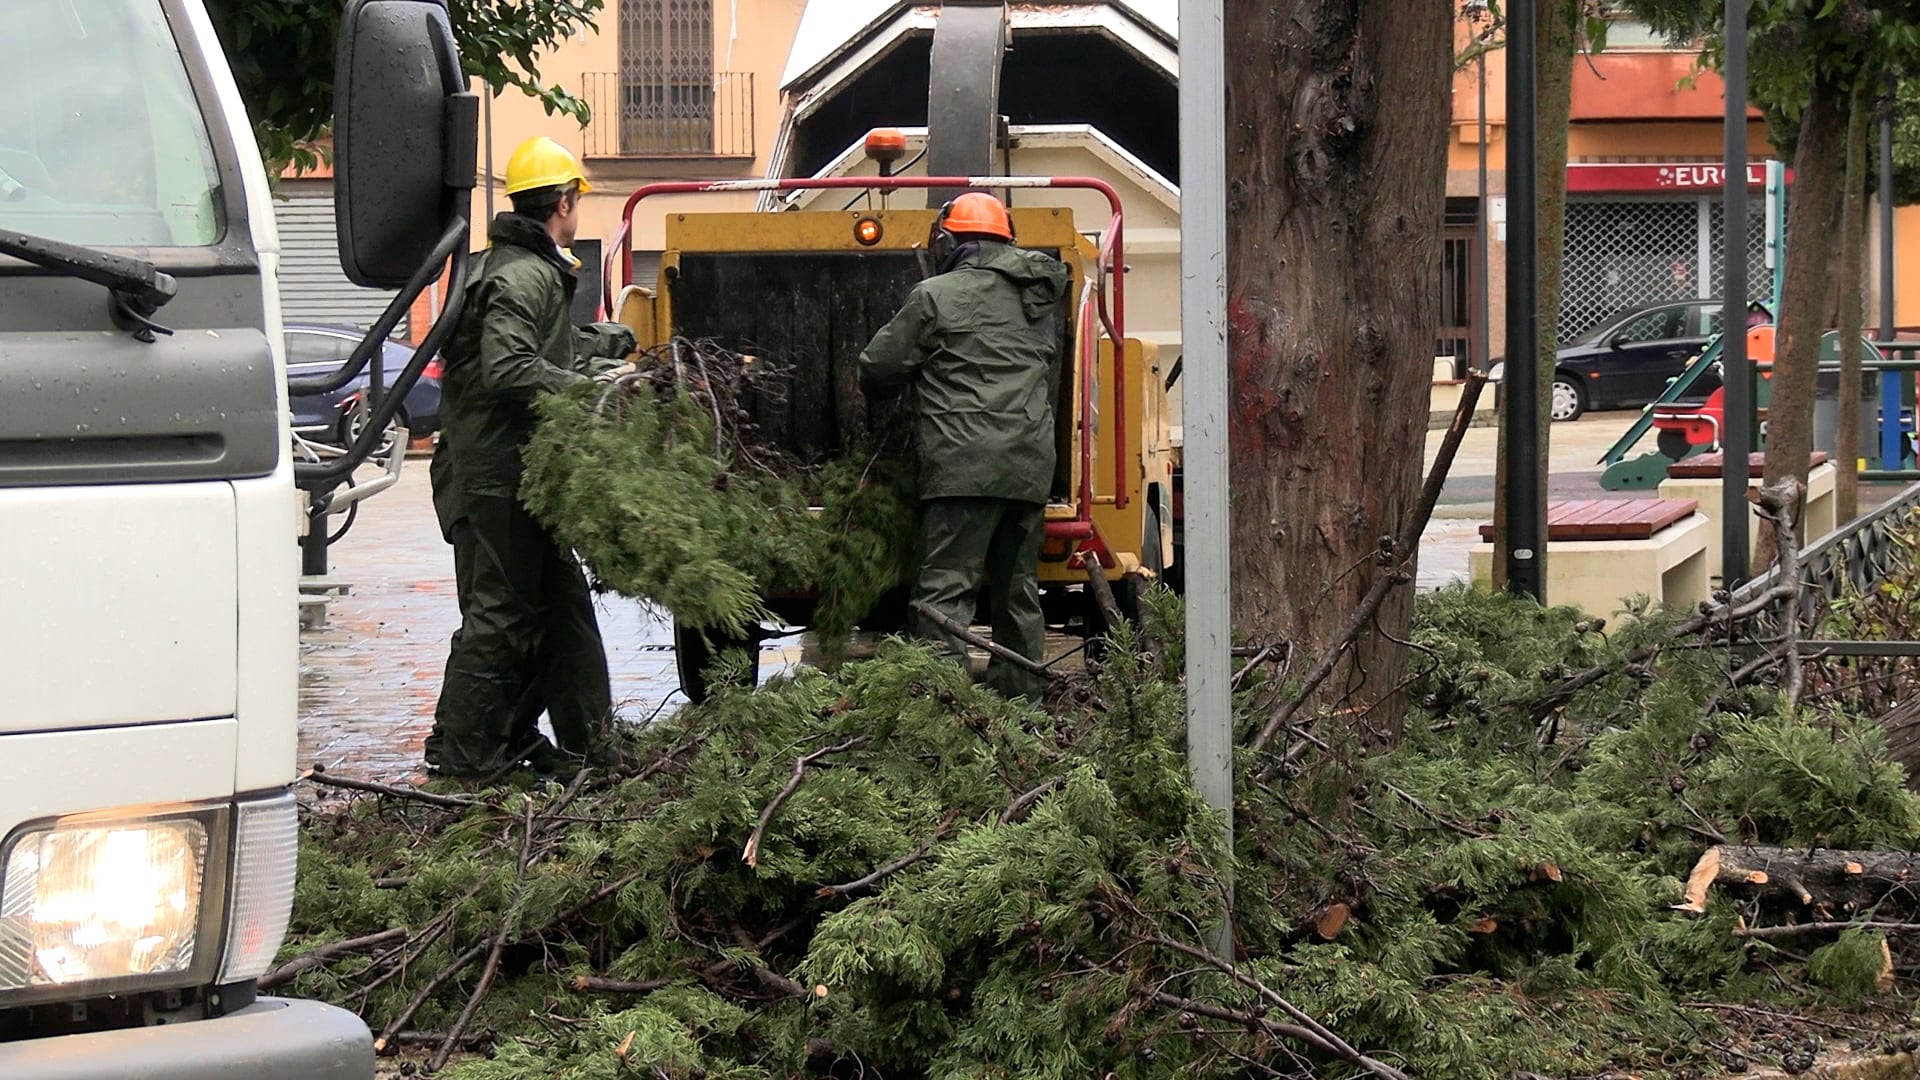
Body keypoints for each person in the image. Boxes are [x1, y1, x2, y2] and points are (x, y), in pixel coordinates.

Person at [425, 136, 637, 778]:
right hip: (496, 477)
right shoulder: (524, 274)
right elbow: (510, 367)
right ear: (565, 201)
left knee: (561, 607)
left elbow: (537, 349)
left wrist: (604, 342)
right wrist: (591, 388)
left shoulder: (512, 268)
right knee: (501, 614)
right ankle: (461, 757)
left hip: (513, 474)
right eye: (578, 200)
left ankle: (587, 747)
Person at [858, 192, 1069, 699]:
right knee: (1017, 590)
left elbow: (878, 368)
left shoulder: (935, 295)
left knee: (946, 591)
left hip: (963, 466)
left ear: (949, 240)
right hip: (1028, 466)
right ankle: (1023, 710)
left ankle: (945, 713)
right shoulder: (1038, 297)